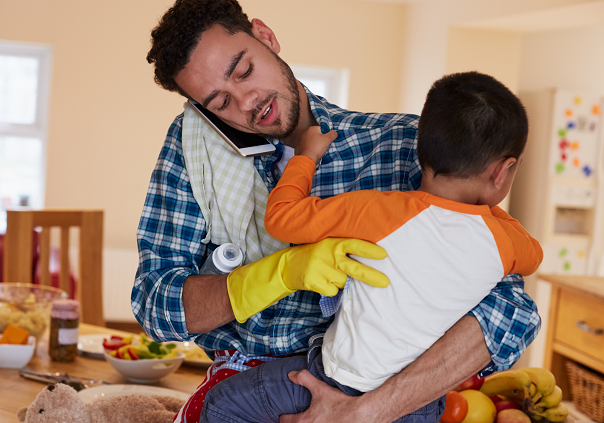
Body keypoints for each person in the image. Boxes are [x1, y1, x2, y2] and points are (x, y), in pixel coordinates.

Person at [134, 1, 541, 422]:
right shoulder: (198, 154)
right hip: (252, 387)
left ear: (266, 37)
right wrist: (277, 274)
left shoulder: (400, 146)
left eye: (245, 70)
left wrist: (364, 412)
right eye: (221, 102)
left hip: (380, 397)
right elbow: (155, 305)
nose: (248, 101)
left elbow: (510, 310)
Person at [199, 71, 543, 422]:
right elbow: (534, 255)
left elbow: (282, 217)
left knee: (221, 404)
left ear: (421, 149)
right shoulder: (505, 242)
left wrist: (307, 155)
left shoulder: (377, 210)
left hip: (336, 377)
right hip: (419, 407)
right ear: (503, 171)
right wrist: (482, 213)